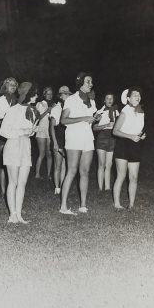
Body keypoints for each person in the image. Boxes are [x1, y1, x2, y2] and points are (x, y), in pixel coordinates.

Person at [59, 72, 97, 215]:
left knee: (85, 172)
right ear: (80, 83)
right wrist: (83, 118)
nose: (90, 84)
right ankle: (63, 206)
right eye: (88, 81)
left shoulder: (91, 101)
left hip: (88, 137)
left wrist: (95, 118)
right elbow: (63, 120)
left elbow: (91, 119)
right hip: (74, 137)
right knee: (72, 170)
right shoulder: (71, 100)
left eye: (91, 82)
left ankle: (83, 205)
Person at [0, 82, 39, 224]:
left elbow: (29, 132)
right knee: (13, 182)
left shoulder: (32, 111)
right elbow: (3, 131)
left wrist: (32, 132)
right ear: (27, 95)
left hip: (25, 147)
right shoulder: (13, 110)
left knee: (22, 183)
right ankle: (12, 214)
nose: (36, 96)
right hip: (13, 146)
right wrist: (21, 132)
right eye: (34, 94)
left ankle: (19, 214)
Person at [112, 87, 146, 209]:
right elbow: (115, 131)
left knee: (134, 177)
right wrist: (131, 136)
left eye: (139, 95)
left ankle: (131, 204)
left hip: (135, 145)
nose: (137, 97)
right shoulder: (124, 112)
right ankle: (117, 204)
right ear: (128, 98)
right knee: (121, 175)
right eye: (134, 95)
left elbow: (137, 129)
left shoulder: (141, 112)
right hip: (123, 144)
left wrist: (141, 135)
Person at [0, 77, 18, 197]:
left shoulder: (18, 101)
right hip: (1, 135)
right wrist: (4, 123)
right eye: (10, 84)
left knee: (13, 163)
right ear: (5, 86)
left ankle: (12, 188)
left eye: (14, 85)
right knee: (3, 163)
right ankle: (3, 191)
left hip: (15, 134)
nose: (13, 86)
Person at [93, 93, 119, 192]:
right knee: (101, 164)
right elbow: (94, 128)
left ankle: (107, 187)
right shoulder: (99, 112)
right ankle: (100, 187)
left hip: (112, 138)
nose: (109, 100)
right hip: (102, 137)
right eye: (107, 98)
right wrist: (106, 125)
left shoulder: (116, 112)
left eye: (111, 98)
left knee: (109, 164)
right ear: (104, 100)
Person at [49, 86, 71, 195]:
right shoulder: (56, 108)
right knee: (57, 164)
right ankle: (57, 187)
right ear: (60, 96)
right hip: (58, 136)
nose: (67, 96)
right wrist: (55, 143)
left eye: (68, 94)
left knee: (64, 165)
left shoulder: (70, 107)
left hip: (67, 137)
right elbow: (52, 127)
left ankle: (62, 186)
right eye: (65, 94)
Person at [35, 87, 54, 179]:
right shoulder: (40, 104)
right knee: (41, 153)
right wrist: (47, 111)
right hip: (41, 130)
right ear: (44, 94)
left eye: (51, 94)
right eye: (48, 94)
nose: (49, 96)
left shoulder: (54, 104)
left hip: (50, 131)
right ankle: (37, 174)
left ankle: (48, 174)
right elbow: (37, 118)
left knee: (49, 153)